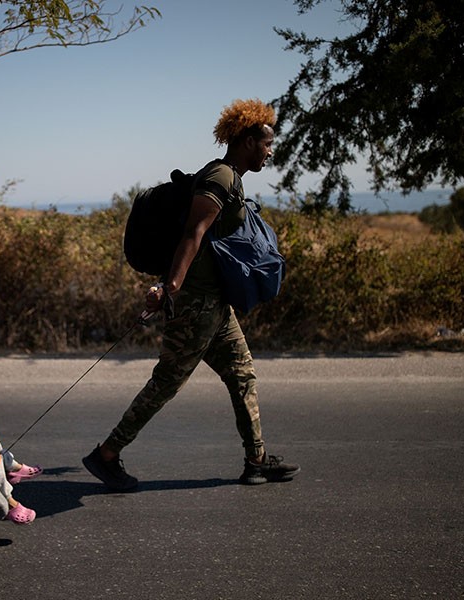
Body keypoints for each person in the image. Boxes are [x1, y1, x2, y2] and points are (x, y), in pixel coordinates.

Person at [83, 99, 300, 490]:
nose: (270, 152)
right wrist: (170, 287)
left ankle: (257, 460)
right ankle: (106, 455)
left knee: (242, 374)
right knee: (167, 382)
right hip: (196, 303)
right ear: (248, 140)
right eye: (267, 144)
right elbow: (192, 233)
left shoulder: (231, 176)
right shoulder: (220, 177)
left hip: (215, 303)